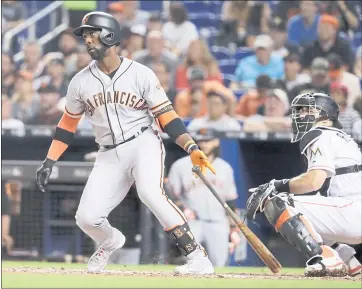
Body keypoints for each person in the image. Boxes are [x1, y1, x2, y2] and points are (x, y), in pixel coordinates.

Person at [35, 12, 215, 275]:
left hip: (143, 142)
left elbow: (167, 117)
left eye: (92, 34)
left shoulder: (140, 73)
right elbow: (66, 126)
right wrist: (49, 160)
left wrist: (192, 147)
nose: (87, 40)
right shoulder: (80, 82)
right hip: (108, 153)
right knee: (86, 218)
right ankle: (110, 241)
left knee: (150, 193)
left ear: (109, 35)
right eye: (84, 36)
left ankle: (196, 256)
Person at [246, 92, 362, 277]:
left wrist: (276, 185)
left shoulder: (319, 134)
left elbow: (313, 181)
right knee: (306, 215)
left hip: (351, 212)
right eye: (298, 111)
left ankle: (326, 258)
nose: (299, 116)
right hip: (351, 211)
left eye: (307, 111)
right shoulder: (342, 137)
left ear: (323, 115)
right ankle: (349, 261)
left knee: (280, 202)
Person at [167, 135, 240, 267]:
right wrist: (183, 209)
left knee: (219, 264)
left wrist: (234, 229)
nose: (205, 144)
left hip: (218, 222)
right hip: (192, 222)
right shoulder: (180, 166)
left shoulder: (225, 168)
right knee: (191, 262)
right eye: (201, 140)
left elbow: (230, 202)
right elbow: (170, 196)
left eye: (208, 140)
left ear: (216, 141)